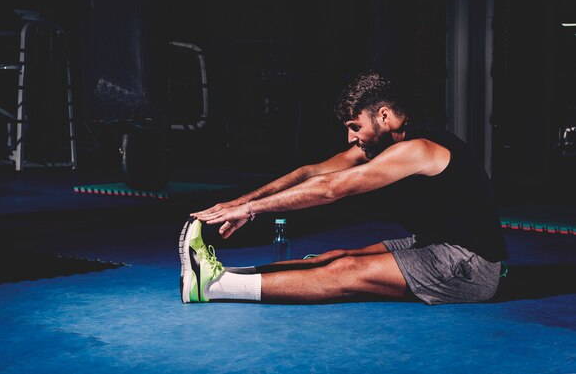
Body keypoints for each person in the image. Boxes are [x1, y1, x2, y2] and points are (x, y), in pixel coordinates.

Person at [180, 71, 508, 305]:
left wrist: (250, 211)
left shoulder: (418, 149)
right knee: (336, 256)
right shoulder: (381, 145)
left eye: (356, 127)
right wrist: (240, 200)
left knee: (346, 270)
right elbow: (313, 172)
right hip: (433, 242)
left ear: (384, 116)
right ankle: (218, 273)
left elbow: (331, 189)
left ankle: (214, 286)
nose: (351, 138)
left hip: (468, 265)